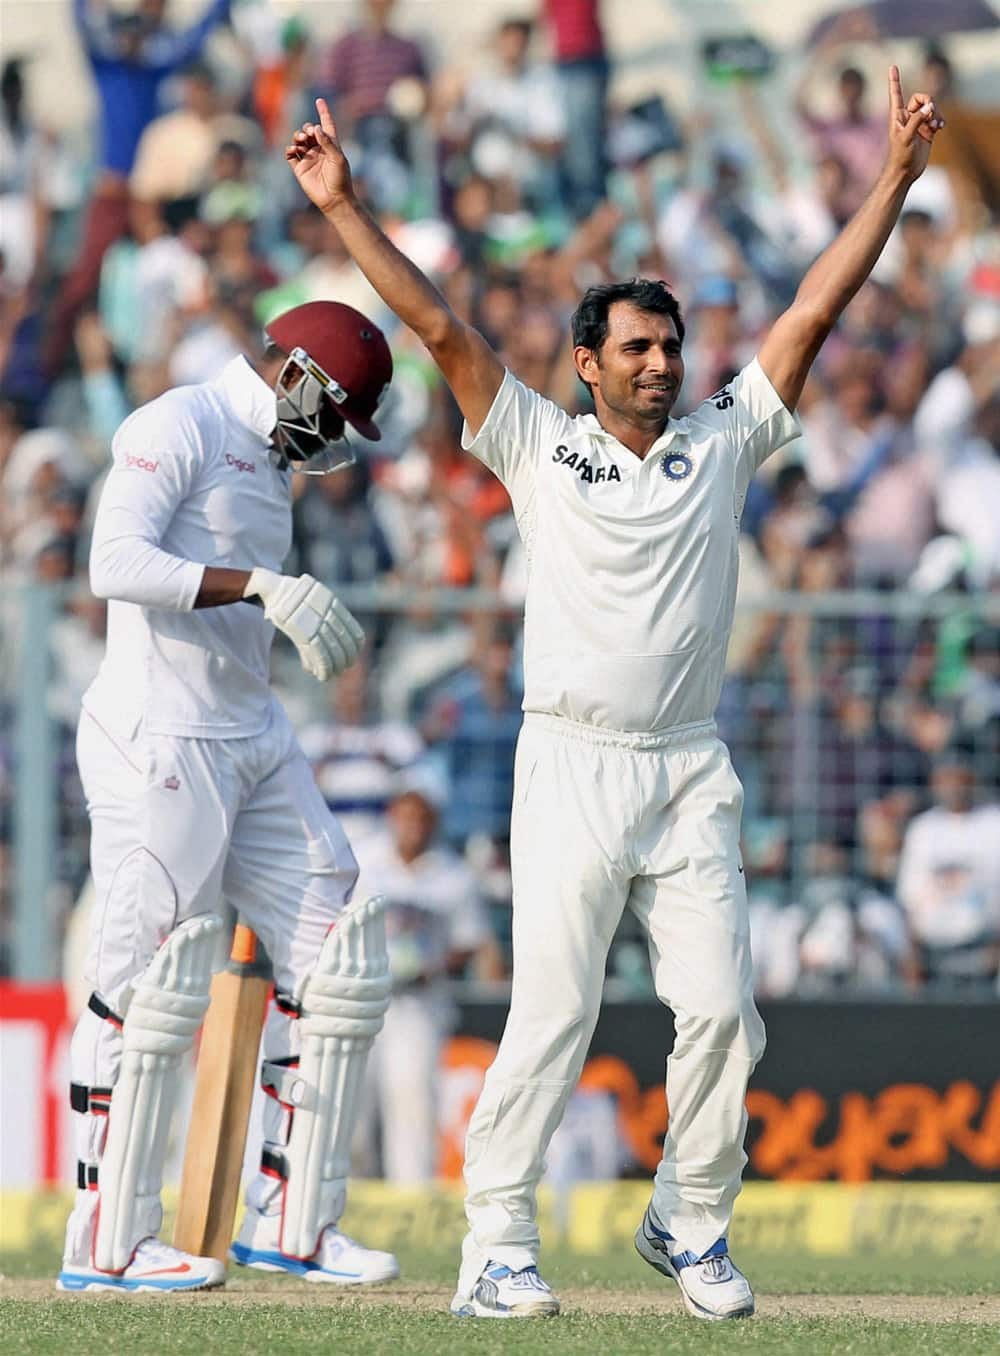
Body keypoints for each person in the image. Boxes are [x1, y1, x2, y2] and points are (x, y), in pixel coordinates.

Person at [284, 70, 945, 1320]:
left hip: (687, 762)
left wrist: (896, 181)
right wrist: (344, 206)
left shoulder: (722, 439)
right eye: (635, 348)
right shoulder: (536, 439)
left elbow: (813, 309)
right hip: (573, 763)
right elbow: (436, 328)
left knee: (722, 1016)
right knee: (552, 1011)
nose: (659, 363)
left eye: (669, 346)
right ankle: (494, 1245)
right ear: (587, 363)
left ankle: (689, 1223)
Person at [58, 299, 401, 1293]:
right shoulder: (180, 423)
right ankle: (106, 1240)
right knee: (147, 979)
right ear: (299, 377)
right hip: (158, 737)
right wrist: (261, 584)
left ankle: (293, 1222)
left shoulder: (269, 459)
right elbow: (112, 563)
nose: (335, 442)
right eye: (337, 416)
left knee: (339, 956)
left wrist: (268, 602)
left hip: (251, 735)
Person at [352, 783, 501, 1181]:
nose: (412, 827)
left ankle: (411, 1198)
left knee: (413, 1100)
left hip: (419, 1003)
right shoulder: (364, 862)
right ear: (391, 819)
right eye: (405, 818)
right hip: (360, 998)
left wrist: (433, 965)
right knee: (351, 1107)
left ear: (434, 824)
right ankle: (346, 1199)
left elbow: (470, 941)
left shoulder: (453, 875)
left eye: (421, 819)